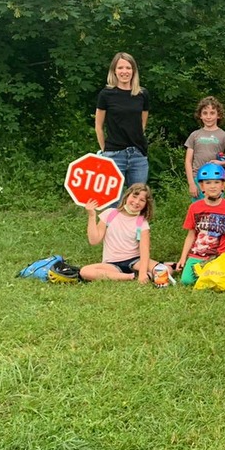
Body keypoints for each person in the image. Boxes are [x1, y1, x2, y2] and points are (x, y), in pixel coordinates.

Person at [176, 164, 225, 286]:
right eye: (208, 183)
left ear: (223, 185)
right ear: (201, 186)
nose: (213, 186)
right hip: (197, 254)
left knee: (216, 281)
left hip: (218, 256)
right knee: (186, 281)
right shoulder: (194, 207)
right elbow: (190, 235)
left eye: (216, 182)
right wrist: (183, 258)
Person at [78, 183, 154, 283]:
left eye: (142, 200)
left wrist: (143, 273)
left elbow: (145, 252)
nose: (136, 202)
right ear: (127, 196)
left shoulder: (142, 223)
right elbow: (94, 240)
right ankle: (130, 277)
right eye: (134, 197)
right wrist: (92, 216)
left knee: (163, 269)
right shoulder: (110, 213)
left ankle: (142, 274)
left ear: (145, 205)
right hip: (111, 264)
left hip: (134, 261)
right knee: (85, 271)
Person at [95, 52, 150, 186]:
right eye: (120, 68)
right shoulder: (106, 94)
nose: (124, 71)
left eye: (128, 68)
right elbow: (98, 126)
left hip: (138, 155)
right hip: (113, 155)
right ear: (114, 70)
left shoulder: (142, 94)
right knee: (113, 203)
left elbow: (142, 124)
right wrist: (105, 151)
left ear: (133, 71)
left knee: (137, 201)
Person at [184, 96, 225, 200]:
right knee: (199, 211)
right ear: (200, 116)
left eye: (212, 113)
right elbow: (188, 161)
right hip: (198, 179)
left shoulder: (224, 135)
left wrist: (220, 163)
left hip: (216, 179)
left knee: (216, 209)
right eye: (205, 113)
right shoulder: (195, 135)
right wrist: (191, 183)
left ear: (219, 115)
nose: (208, 117)